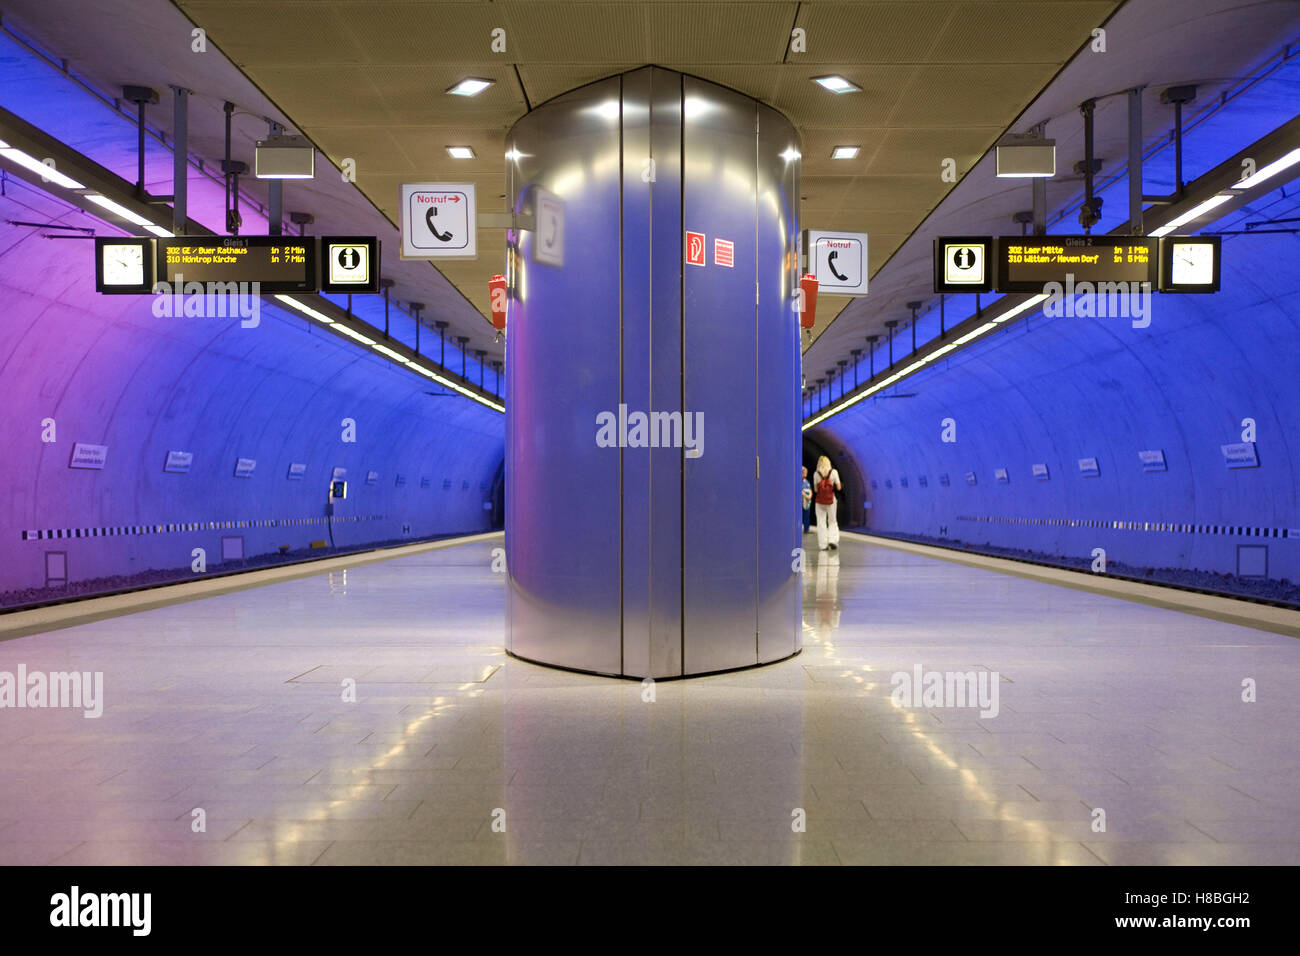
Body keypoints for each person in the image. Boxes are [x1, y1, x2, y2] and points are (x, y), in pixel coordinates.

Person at [812, 454, 842, 551]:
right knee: (832, 521)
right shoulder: (834, 472)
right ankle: (832, 540)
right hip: (831, 500)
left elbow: (816, 490)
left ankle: (823, 545)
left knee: (821, 522)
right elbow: (838, 487)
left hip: (820, 501)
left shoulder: (816, 474)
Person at [801, 466, 813, 534]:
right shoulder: (798, 481)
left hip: (807, 502)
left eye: (806, 472)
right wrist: (806, 496)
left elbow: (810, 490)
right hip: (801, 502)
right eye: (804, 472)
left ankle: (806, 529)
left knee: (807, 516)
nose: (805, 474)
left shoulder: (807, 482)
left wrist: (810, 496)